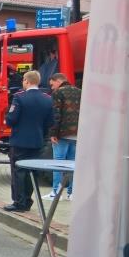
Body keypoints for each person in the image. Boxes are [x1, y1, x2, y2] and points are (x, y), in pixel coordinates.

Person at [4, 70, 54, 213]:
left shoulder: (19, 97)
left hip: (20, 141)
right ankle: (28, 200)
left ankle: (19, 202)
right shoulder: (47, 98)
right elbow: (50, 122)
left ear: (26, 81)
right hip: (37, 141)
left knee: (18, 171)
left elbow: (11, 120)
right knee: (32, 172)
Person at [47, 72, 81, 201]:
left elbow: (56, 114)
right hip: (76, 133)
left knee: (58, 163)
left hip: (62, 133)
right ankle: (72, 193)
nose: (52, 88)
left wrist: (53, 133)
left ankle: (56, 192)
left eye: (52, 84)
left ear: (58, 81)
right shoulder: (79, 91)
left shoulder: (58, 93)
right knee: (72, 164)